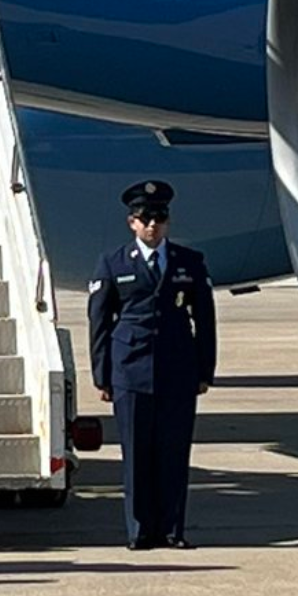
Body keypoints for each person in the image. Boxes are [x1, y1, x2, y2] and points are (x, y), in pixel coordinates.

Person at [88, 180, 216, 550]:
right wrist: (103, 375)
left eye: (158, 218)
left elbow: (204, 320)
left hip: (178, 368)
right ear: (132, 223)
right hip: (130, 370)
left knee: (174, 453)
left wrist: (205, 371)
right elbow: (100, 322)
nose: (152, 226)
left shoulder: (189, 262)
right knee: (137, 454)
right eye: (145, 219)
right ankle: (140, 530)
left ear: (168, 222)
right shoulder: (112, 263)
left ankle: (173, 529)